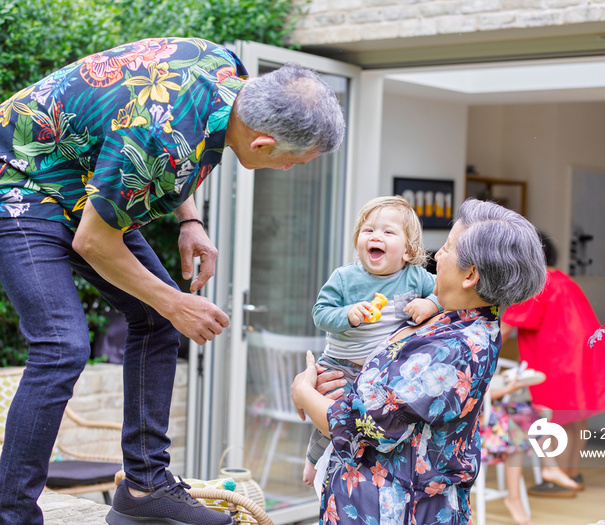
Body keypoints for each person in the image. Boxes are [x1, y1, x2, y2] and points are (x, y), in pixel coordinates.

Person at [0, 37, 344, 525]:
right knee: (62, 345)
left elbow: (183, 136)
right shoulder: (163, 140)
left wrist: (191, 221)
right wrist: (176, 304)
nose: (285, 169)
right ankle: (11, 514)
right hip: (20, 181)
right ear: (264, 142)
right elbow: (94, 243)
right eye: (291, 162)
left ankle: (144, 488)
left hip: (80, 182)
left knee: (156, 321)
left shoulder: (226, 71)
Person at [291, 198, 547, 524]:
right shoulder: (446, 319)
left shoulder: (455, 348)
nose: (437, 255)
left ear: (470, 274)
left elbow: (362, 425)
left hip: (397, 511)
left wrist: (303, 392)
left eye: (448, 248)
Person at [303, 195, 442, 485]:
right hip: (340, 365)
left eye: (388, 232)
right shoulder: (344, 278)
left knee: (370, 424)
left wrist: (430, 305)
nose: (375, 236)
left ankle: (359, 471)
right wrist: (348, 314)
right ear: (358, 241)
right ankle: (314, 461)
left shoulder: (416, 277)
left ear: (408, 251)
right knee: (330, 416)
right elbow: (320, 314)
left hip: (379, 372)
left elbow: (443, 295)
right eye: (368, 230)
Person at [501, 232, 605, 490]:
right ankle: (572, 472)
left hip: (559, 358)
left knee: (555, 417)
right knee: (576, 417)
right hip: (584, 354)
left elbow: (505, 328)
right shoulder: (563, 279)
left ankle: (556, 478)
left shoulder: (536, 282)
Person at [481, 372, 580, 525]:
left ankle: (547, 470)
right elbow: (474, 396)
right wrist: (507, 389)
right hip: (472, 420)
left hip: (492, 411)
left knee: (529, 415)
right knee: (514, 429)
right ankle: (515, 496)